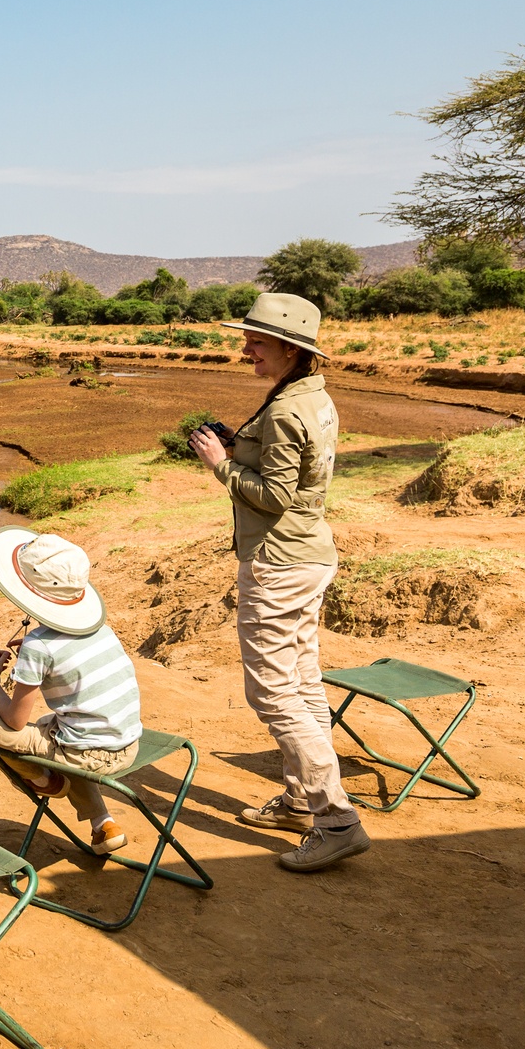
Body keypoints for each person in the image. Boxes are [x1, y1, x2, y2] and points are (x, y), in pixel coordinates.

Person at [188, 291, 369, 872]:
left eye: (256, 342)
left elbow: (273, 495)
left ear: (290, 349)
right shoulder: (309, 397)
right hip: (307, 557)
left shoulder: (288, 409)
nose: (246, 351)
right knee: (302, 677)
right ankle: (300, 798)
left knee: (270, 690)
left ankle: (335, 817)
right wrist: (238, 445)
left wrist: (221, 463)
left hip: (279, 564)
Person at [0, 529, 141, 857]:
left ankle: (42, 779)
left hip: (86, 756)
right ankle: (104, 824)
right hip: (126, 745)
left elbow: (15, 721)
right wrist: (35, 660)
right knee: (55, 724)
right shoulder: (101, 628)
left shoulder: (38, 645)